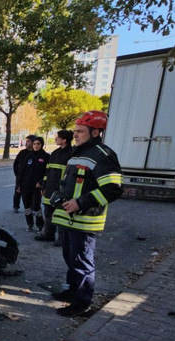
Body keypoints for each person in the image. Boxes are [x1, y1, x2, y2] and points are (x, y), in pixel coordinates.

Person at [52, 110, 123, 317]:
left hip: (85, 220)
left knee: (82, 262)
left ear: (95, 132)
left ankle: (82, 304)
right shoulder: (78, 152)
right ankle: (73, 292)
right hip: (68, 219)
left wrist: (80, 203)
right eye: (75, 131)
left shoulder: (103, 155)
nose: (75, 134)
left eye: (80, 131)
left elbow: (113, 188)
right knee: (70, 258)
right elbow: (70, 184)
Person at [36, 129, 74, 244]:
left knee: (62, 213)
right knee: (48, 212)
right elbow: (47, 171)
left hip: (61, 189)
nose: (56, 139)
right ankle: (49, 234)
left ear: (64, 140)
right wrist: (43, 186)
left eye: (58, 137)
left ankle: (62, 238)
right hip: (50, 188)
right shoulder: (55, 153)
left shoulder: (71, 154)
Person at [17, 136, 49, 232]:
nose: (36, 146)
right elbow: (22, 171)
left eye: (38, 144)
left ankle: (40, 224)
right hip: (25, 186)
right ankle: (30, 224)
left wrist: (42, 183)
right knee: (27, 207)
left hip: (37, 187)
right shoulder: (29, 156)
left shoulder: (46, 157)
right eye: (34, 144)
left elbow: (48, 172)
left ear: (42, 145)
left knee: (35, 206)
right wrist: (18, 184)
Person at [12, 135, 36, 213]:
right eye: (27, 141)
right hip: (21, 176)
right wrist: (17, 174)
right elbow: (16, 164)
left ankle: (31, 208)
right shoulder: (22, 153)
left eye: (28, 141)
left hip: (31, 177)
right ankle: (16, 206)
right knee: (18, 191)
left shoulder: (36, 153)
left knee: (32, 193)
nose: (26, 143)